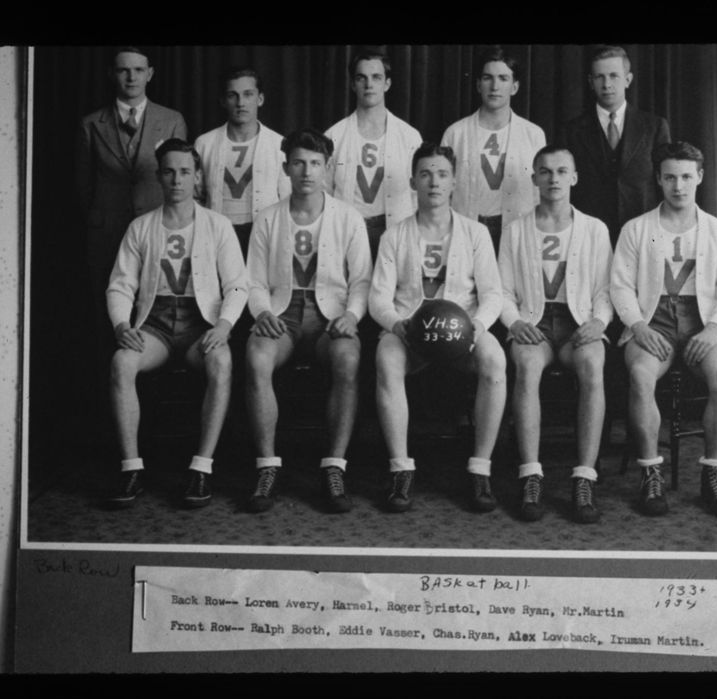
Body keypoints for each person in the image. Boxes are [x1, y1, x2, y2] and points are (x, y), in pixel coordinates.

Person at [104, 139, 247, 509]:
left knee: (222, 362)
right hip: (156, 326)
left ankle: (201, 468)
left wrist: (224, 326)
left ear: (197, 176)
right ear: (159, 176)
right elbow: (121, 284)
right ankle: (131, 468)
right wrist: (122, 325)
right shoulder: (141, 227)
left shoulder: (217, 225)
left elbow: (237, 284)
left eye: (185, 172)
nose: (177, 180)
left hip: (201, 324)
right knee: (122, 362)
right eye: (169, 172)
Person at [370, 142, 506, 513]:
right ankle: (400, 469)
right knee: (386, 359)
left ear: (454, 182)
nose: (434, 182)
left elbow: (494, 293)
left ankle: (480, 469)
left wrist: (477, 326)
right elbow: (378, 298)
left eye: (442, 174)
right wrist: (398, 326)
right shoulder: (394, 235)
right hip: (410, 334)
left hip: (463, 333)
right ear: (413, 181)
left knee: (496, 362)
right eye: (426, 174)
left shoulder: (475, 233)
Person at [610, 141, 717, 518]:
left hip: (703, 322)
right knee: (640, 374)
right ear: (658, 179)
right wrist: (637, 325)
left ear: (699, 177)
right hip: (653, 321)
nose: (678, 186)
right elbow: (619, 285)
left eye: (686, 177)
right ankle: (651, 474)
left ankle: (712, 476)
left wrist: (713, 328)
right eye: (670, 177)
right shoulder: (636, 229)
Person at [243, 128, 372, 514]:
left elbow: (362, 279)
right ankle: (267, 466)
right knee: (256, 358)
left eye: (315, 163)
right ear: (286, 167)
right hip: (283, 314)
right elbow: (253, 280)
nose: (307, 172)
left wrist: (352, 315)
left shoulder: (348, 218)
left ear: (327, 168)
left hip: (331, 315)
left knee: (348, 360)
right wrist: (263, 312)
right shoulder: (268, 218)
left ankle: (334, 466)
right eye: (298, 163)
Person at [499, 145, 613, 523]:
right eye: (545, 172)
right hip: (534, 323)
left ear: (574, 178)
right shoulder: (516, 229)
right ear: (534, 179)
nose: (553, 179)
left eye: (562, 171)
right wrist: (514, 322)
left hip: (578, 323)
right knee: (527, 368)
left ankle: (584, 476)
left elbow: (604, 290)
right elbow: (502, 290)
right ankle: (531, 474)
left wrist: (599, 322)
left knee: (593, 367)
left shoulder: (594, 229)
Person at [77, 46, 188, 330]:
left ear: (149, 74)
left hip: (156, 230)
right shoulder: (91, 124)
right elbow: (83, 185)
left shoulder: (171, 120)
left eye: (138, 70)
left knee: (153, 311)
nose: (131, 77)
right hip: (106, 234)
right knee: (107, 311)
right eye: (123, 70)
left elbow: (180, 181)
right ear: (112, 74)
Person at [440, 46, 546, 254]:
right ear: (478, 85)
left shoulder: (533, 134)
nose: (495, 86)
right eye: (488, 78)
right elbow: (444, 192)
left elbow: (539, 194)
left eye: (503, 78)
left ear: (515, 87)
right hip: (468, 230)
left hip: (517, 231)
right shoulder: (455, 134)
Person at [563, 44, 671, 247]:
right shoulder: (571, 131)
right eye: (599, 77)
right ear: (590, 82)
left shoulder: (655, 126)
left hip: (642, 235)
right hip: (589, 237)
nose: (606, 84)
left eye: (614, 76)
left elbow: (664, 182)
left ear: (628, 80)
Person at [325, 47, 422, 260]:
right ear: (352, 84)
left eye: (376, 77)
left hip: (395, 231)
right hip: (348, 233)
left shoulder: (409, 137)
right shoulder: (334, 136)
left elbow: (418, 197)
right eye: (361, 78)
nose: (369, 85)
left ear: (387, 83)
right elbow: (323, 194)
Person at [194, 67, 290, 258]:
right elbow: (196, 196)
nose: (240, 103)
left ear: (260, 99)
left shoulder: (279, 144)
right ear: (223, 101)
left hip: (263, 237)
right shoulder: (204, 143)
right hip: (217, 235)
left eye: (248, 95)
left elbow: (287, 201)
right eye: (233, 95)